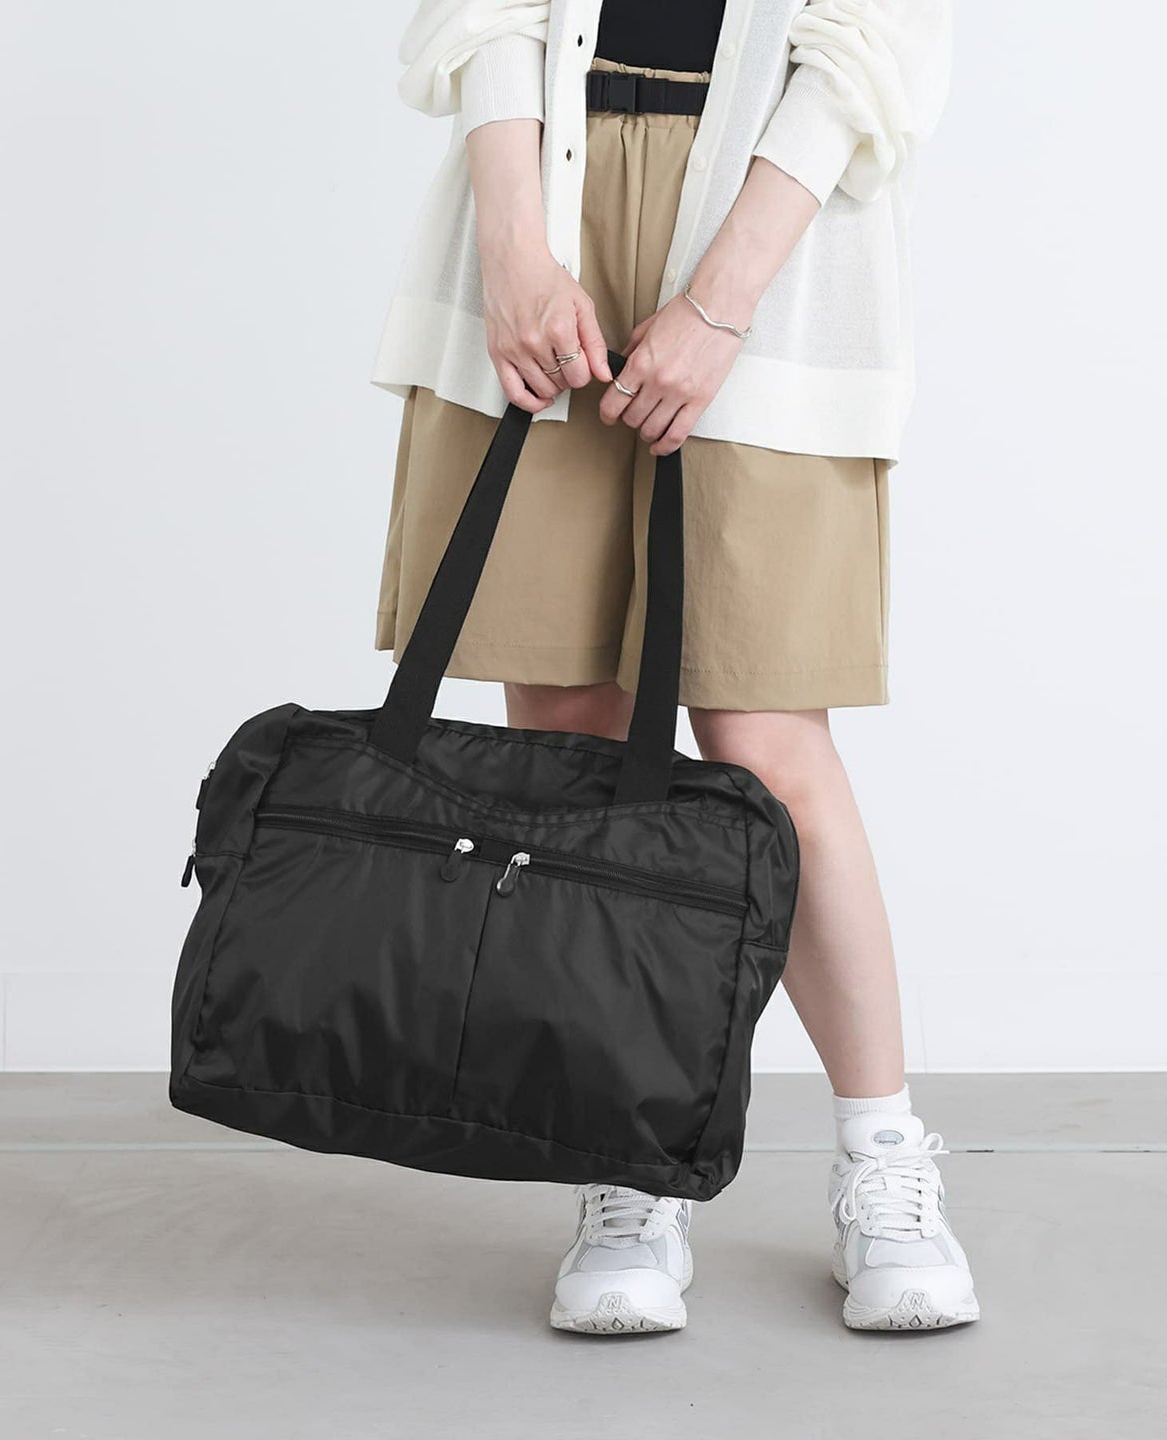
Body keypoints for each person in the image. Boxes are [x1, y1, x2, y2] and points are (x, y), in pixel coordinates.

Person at [372, 0, 975, 1335]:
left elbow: (869, 42)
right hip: (542, 192)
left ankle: (884, 1158)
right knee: (569, 732)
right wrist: (516, 251)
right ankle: (626, 1157)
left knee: (766, 735)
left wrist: (719, 304)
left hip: (774, 229)